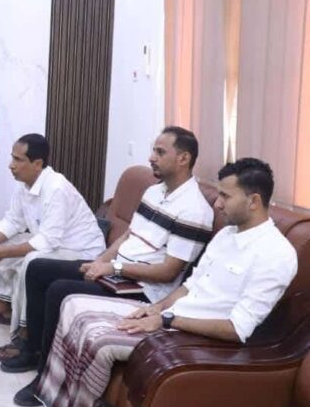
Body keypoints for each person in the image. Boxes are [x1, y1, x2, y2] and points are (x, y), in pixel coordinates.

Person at [18, 158, 298, 407]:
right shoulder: (227, 235)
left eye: (226, 196)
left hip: (192, 336)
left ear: (254, 201)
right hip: (173, 316)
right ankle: (52, 393)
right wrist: (157, 308)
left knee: (97, 337)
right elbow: (189, 286)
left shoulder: (276, 255)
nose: (218, 204)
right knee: (72, 304)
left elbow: (237, 329)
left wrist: (166, 320)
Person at [1, 126, 214, 377]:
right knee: (37, 268)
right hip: (116, 273)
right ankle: (33, 350)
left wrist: (113, 267)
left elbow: (168, 272)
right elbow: (127, 235)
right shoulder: (155, 191)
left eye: (160, 152)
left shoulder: (194, 210)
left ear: (183, 158)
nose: (151, 158)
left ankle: (45, 376)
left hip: (142, 290)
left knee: (59, 289)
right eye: (153, 151)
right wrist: (100, 261)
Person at [0, 134, 106, 340]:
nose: (11, 165)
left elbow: (48, 240)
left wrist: (2, 253)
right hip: (56, 244)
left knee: (31, 261)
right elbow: (14, 220)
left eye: (18, 160)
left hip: (82, 252)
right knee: (3, 244)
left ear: (37, 164)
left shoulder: (57, 188)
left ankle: (27, 331)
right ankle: (3, 308)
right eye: (12, 158)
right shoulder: (24, 183)